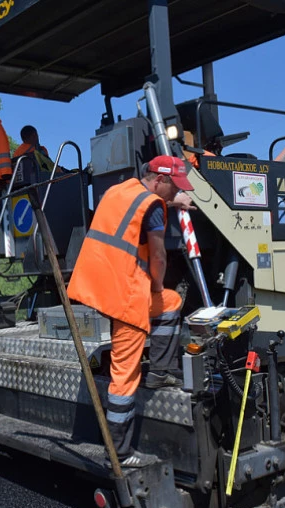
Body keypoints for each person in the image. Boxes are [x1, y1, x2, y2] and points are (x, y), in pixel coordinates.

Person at [68, 155, 194, 468]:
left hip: (100, 285)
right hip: (126, 296)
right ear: (161, 179)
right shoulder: (153, 206)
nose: (173, 193)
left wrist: (174, 202)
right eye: (174, 186)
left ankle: (160, 374)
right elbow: (159, 258)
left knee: (172, 303)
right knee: (124, 378)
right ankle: (121, 454)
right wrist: (154, 287)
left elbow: (132, 217)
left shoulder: (119, 191)